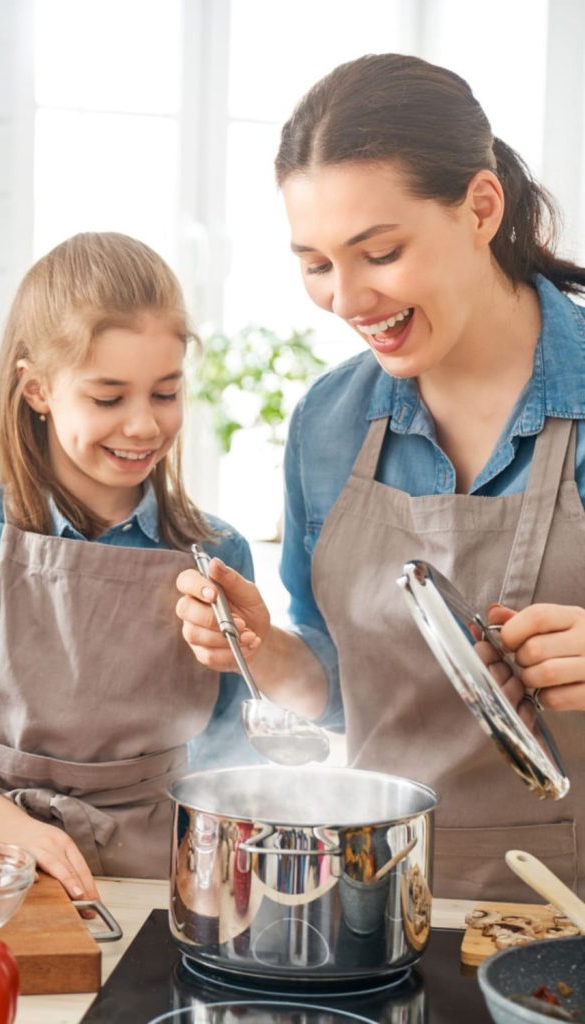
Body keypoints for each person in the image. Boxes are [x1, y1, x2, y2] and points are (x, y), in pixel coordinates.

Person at [176, 53, 585, 901]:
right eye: (318, 263)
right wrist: (266, 651)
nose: (348, 299)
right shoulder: (329, 424)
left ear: (480, 207)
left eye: (381, 253)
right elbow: (330, 687)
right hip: (382, 897)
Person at [0, 232, 256, 898]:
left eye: (164, 394)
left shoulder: (216, 552)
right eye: (109, 398)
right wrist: (10, 829)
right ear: (38, 390)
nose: (143, 426)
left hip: (170, 868)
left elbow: (235, 744)